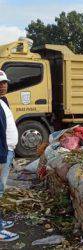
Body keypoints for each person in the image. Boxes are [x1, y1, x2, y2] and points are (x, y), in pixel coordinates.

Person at [0, 70, 19, 241]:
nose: (3, 86)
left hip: (7, 152)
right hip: (1, 154)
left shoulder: (3, 101)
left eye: (4, 82)